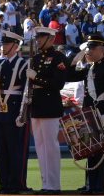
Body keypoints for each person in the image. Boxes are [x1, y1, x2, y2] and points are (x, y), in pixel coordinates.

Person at [66, 35, 104, 195]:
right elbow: (69, 76)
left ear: (102, 50)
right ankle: (92, 185)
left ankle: (102, 186)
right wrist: (76, 59)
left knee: (103, 153)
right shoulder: (89, 68)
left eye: (93, 48)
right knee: (91, 152)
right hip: (90, 117)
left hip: (103, 117)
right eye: (88, 48)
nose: (89, 51)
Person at [17, 27, 66, 195]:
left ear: (51, 38)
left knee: (50, 146)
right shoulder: (35, 58)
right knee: (40, 146)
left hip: (50, 106)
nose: (37, 40)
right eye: (37, 37)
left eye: (42, 37)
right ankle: (45, 184)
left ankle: (54, 184)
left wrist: (36, 77)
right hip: (37, 105)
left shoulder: (58, 58)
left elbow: (57, 84)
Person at [0, 32, 27, 194]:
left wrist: (22, 113)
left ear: (15, 46)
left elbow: (25, 91)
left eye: (7, 44)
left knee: (13, 150)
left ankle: (14, 184)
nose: (3, 46)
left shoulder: (22, 64)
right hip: (1, 112)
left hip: (14, 111)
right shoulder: (1, 64)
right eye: (3, 43)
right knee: (2, 151)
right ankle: (3, 183)